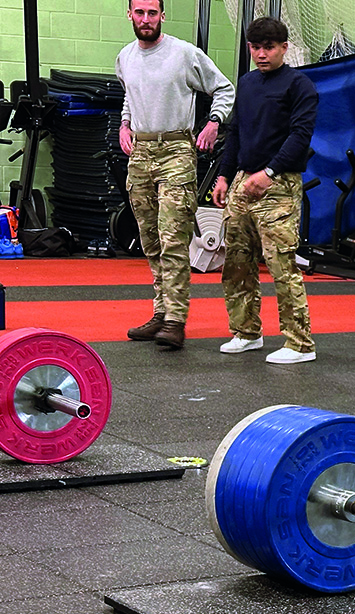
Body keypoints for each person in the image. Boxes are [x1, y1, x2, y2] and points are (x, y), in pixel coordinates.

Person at [116, 0, 234, 350]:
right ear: (130, 14)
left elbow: (225, 88)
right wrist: (125, 124)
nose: (146, 19)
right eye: (140, 12)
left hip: (176, 151)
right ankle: (160, 311)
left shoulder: (184, 54)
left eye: (153, 13)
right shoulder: (125, 57)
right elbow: (130, 96)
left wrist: (214, 122)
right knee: (150, 240)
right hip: (140, 153)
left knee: (173, 238)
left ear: (162, 16)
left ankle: (175, 320)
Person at [212, 17, 318, 365]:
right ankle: (246, 332)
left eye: (269, 47)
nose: (261, 54)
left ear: (284, 48)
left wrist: (269, 172)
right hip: (243, 179)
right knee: (236, 262)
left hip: (280, 184)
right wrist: (225, 176)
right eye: (255, 47)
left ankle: (300, 343)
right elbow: (237, 132)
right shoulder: (247, 84)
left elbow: (300, 137)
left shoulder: (299, 86)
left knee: (281, 264)